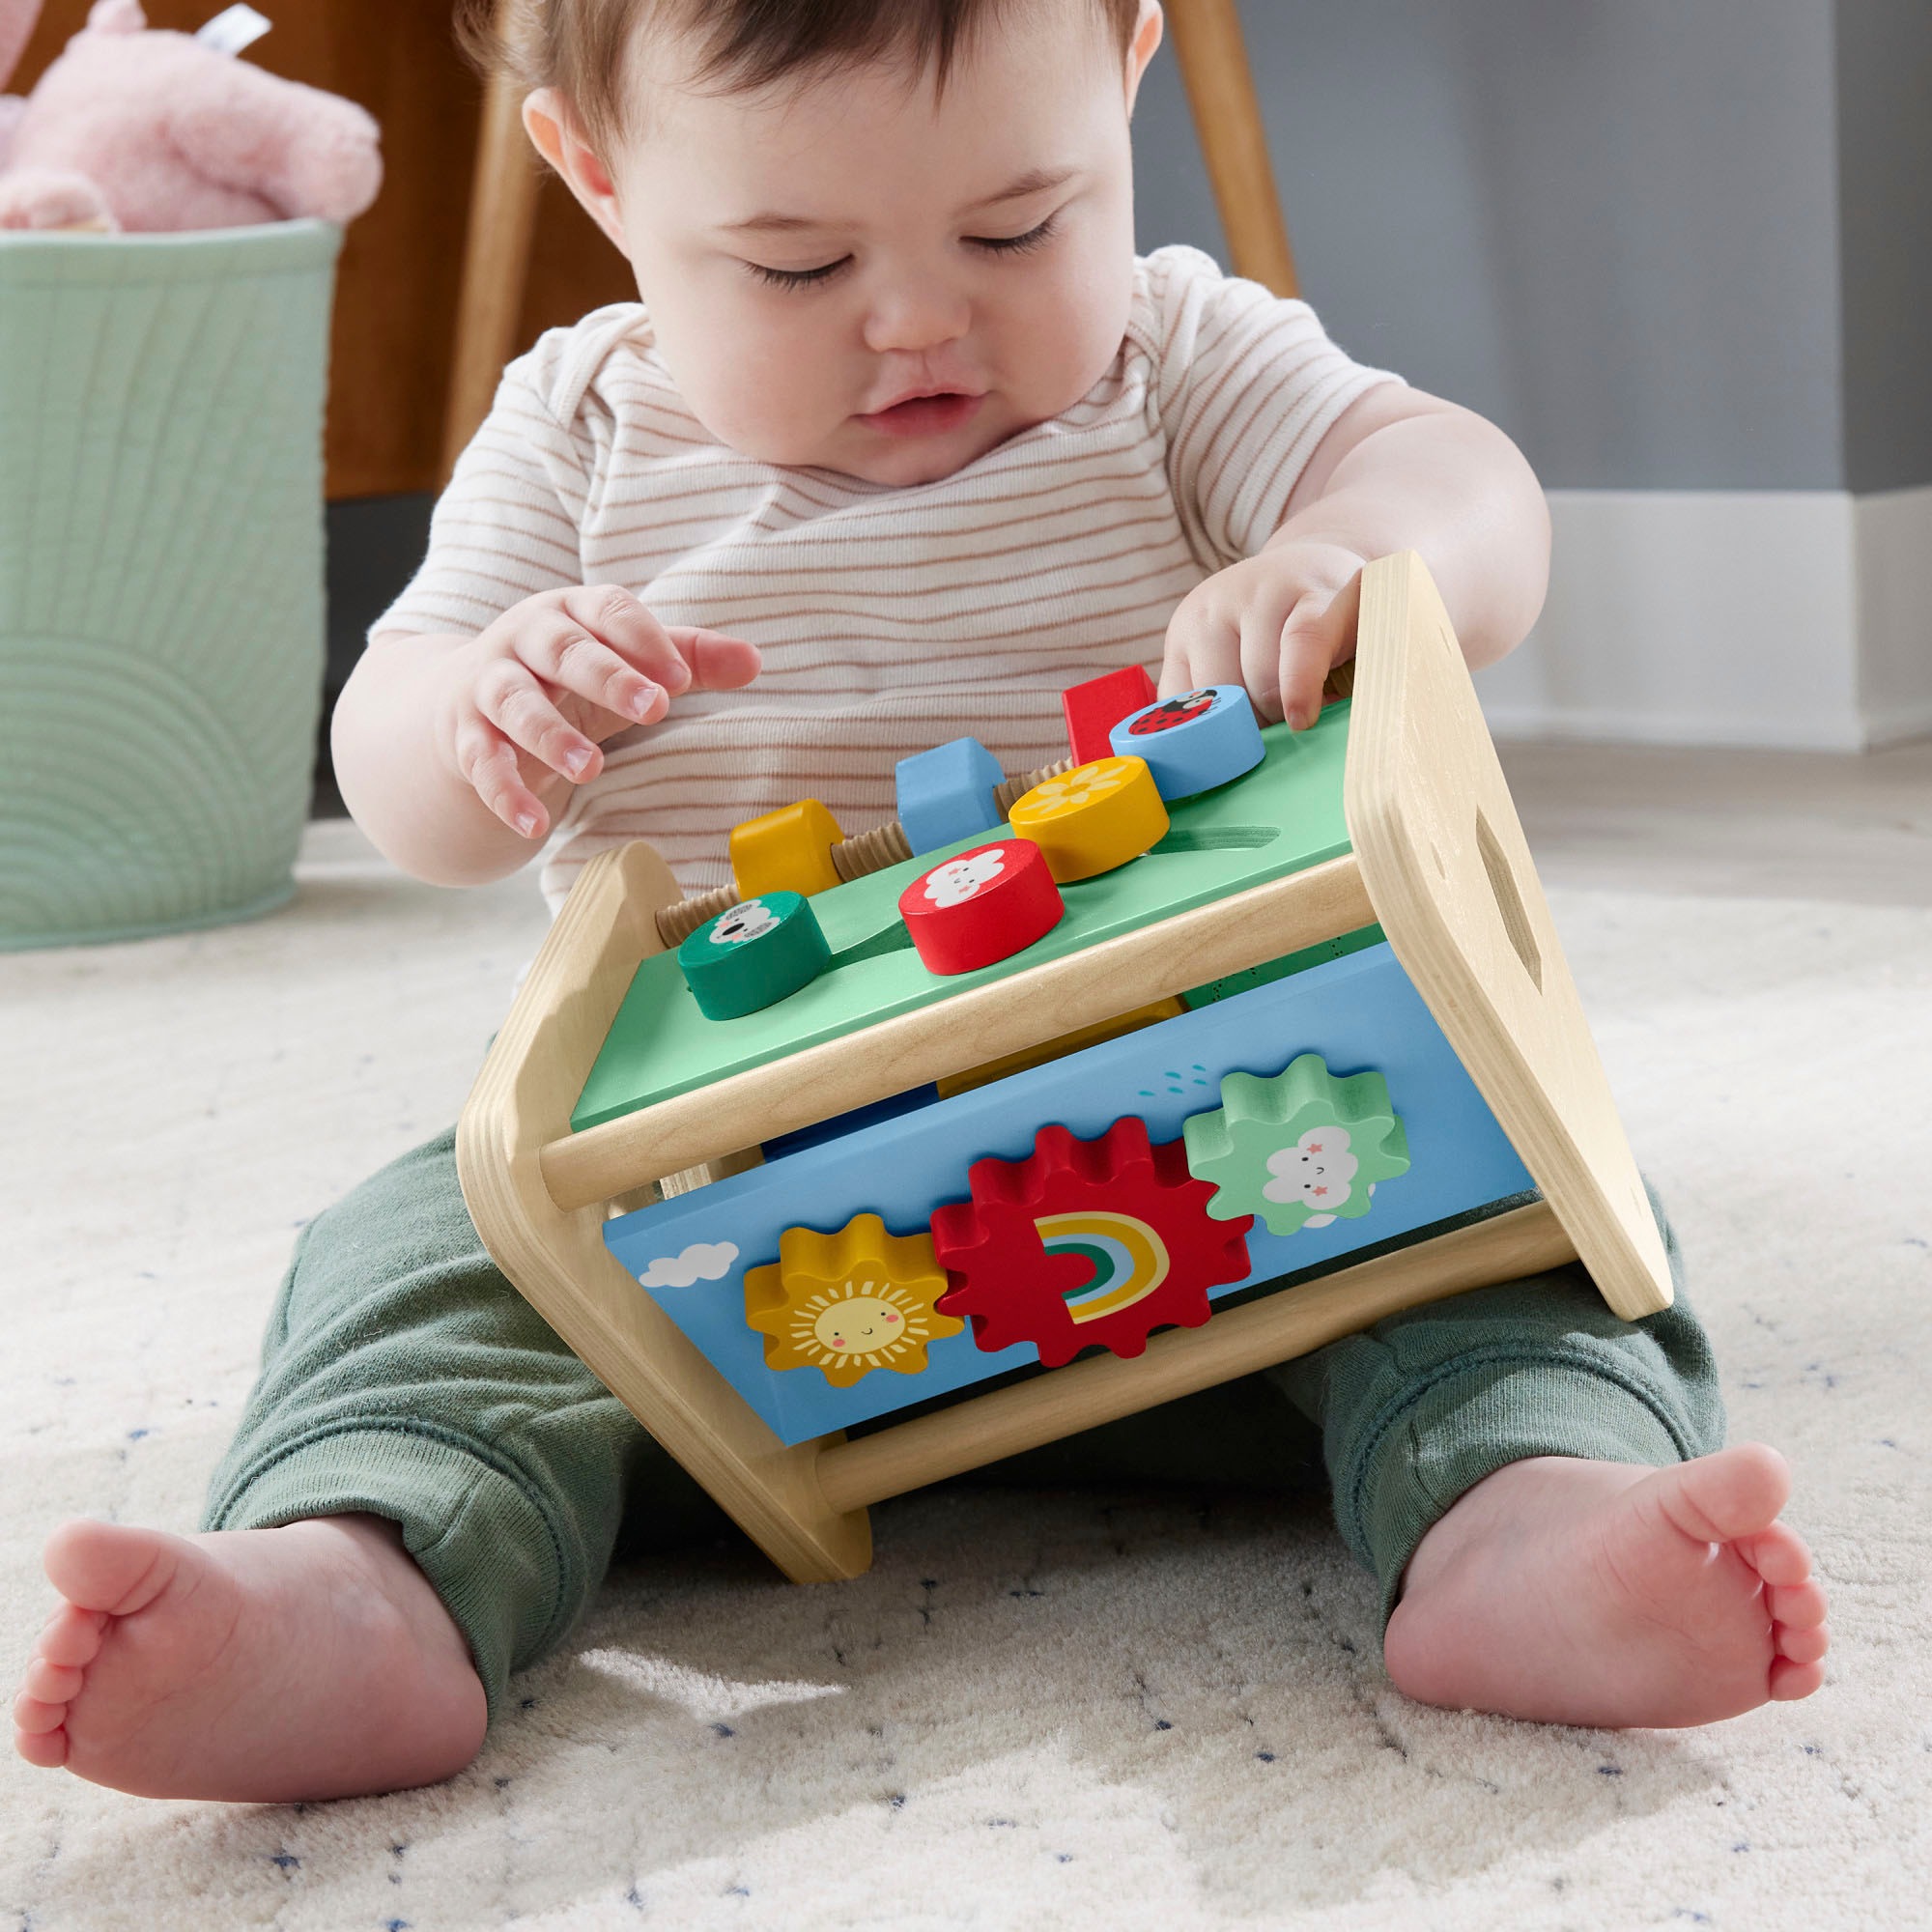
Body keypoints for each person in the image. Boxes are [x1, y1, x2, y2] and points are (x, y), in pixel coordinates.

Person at [12, 0, 1828, 1804]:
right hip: (736, 1272)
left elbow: (1469, 484)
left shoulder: (1179, 360)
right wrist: (477, 711)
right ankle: (364, 1578)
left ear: (1126, 69)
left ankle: (1519, 1520)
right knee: (423, 1252)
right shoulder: (577, 432)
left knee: (1512, 1194)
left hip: (1257, 1179)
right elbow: (400, 766)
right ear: (601, 174)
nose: (916, 320)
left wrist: (1354, 549)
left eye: (1015, 229)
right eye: (797, 266)